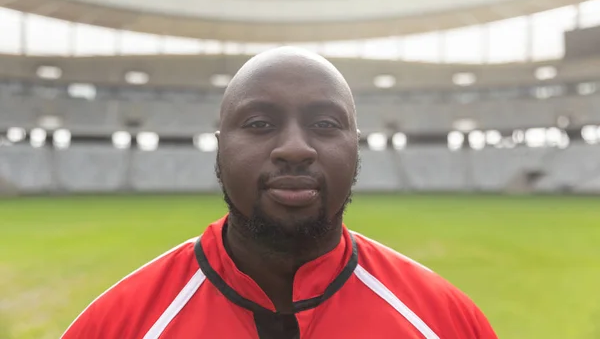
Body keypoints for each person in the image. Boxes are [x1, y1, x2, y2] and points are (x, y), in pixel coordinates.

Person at [61, 47, 498, 339]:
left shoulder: (447, 322)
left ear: (356, 144)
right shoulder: (119, 325)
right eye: (259, 124)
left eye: (325, 124)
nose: (294, 148)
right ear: (220, 146)